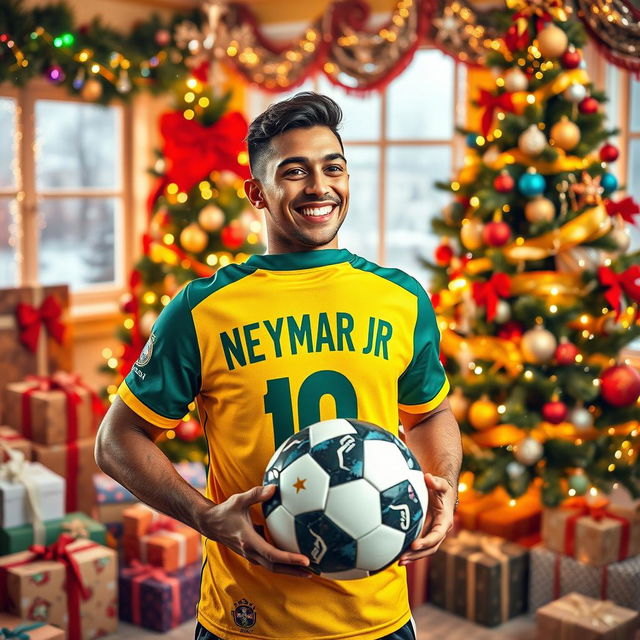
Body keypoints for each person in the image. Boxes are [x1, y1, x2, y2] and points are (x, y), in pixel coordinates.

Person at [95, 92, 462, 640]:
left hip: (378, 619)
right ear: (257, 193)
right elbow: (116, 440)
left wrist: (446, 488)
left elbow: (430, 415)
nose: (319, 187)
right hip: (247, 621)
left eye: (332, 168)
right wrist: (206, 517)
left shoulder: (401, 297)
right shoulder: (202, 309)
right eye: (294, 171)